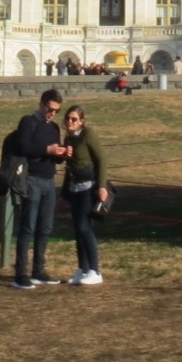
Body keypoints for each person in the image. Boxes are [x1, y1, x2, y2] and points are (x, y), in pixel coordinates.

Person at [11, 89, 71, 289]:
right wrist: (48, 150)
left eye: (56, 110)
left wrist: (62, 154)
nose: (52, 113)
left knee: (45, 228)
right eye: (50, 109)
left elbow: (56, 156)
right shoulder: (28, 122)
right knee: (28, 227)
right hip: (32, 179)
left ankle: (38, 270)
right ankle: (21, 273)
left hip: (48, 180)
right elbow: (24, 148)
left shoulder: (53, 128)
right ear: (42, 104)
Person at [60, 104, 110, 286]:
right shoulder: (68, 139)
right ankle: (82, 268)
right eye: (67, 118)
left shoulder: (88, 134)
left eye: (74, 119)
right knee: (77, 229)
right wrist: (63, 194)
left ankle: (95, 270)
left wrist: (102, 186)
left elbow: (102, 158)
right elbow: (69, 168)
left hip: (88, 187)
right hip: (74, 188)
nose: (70, 122)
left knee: (84, 228)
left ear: (82, 121)